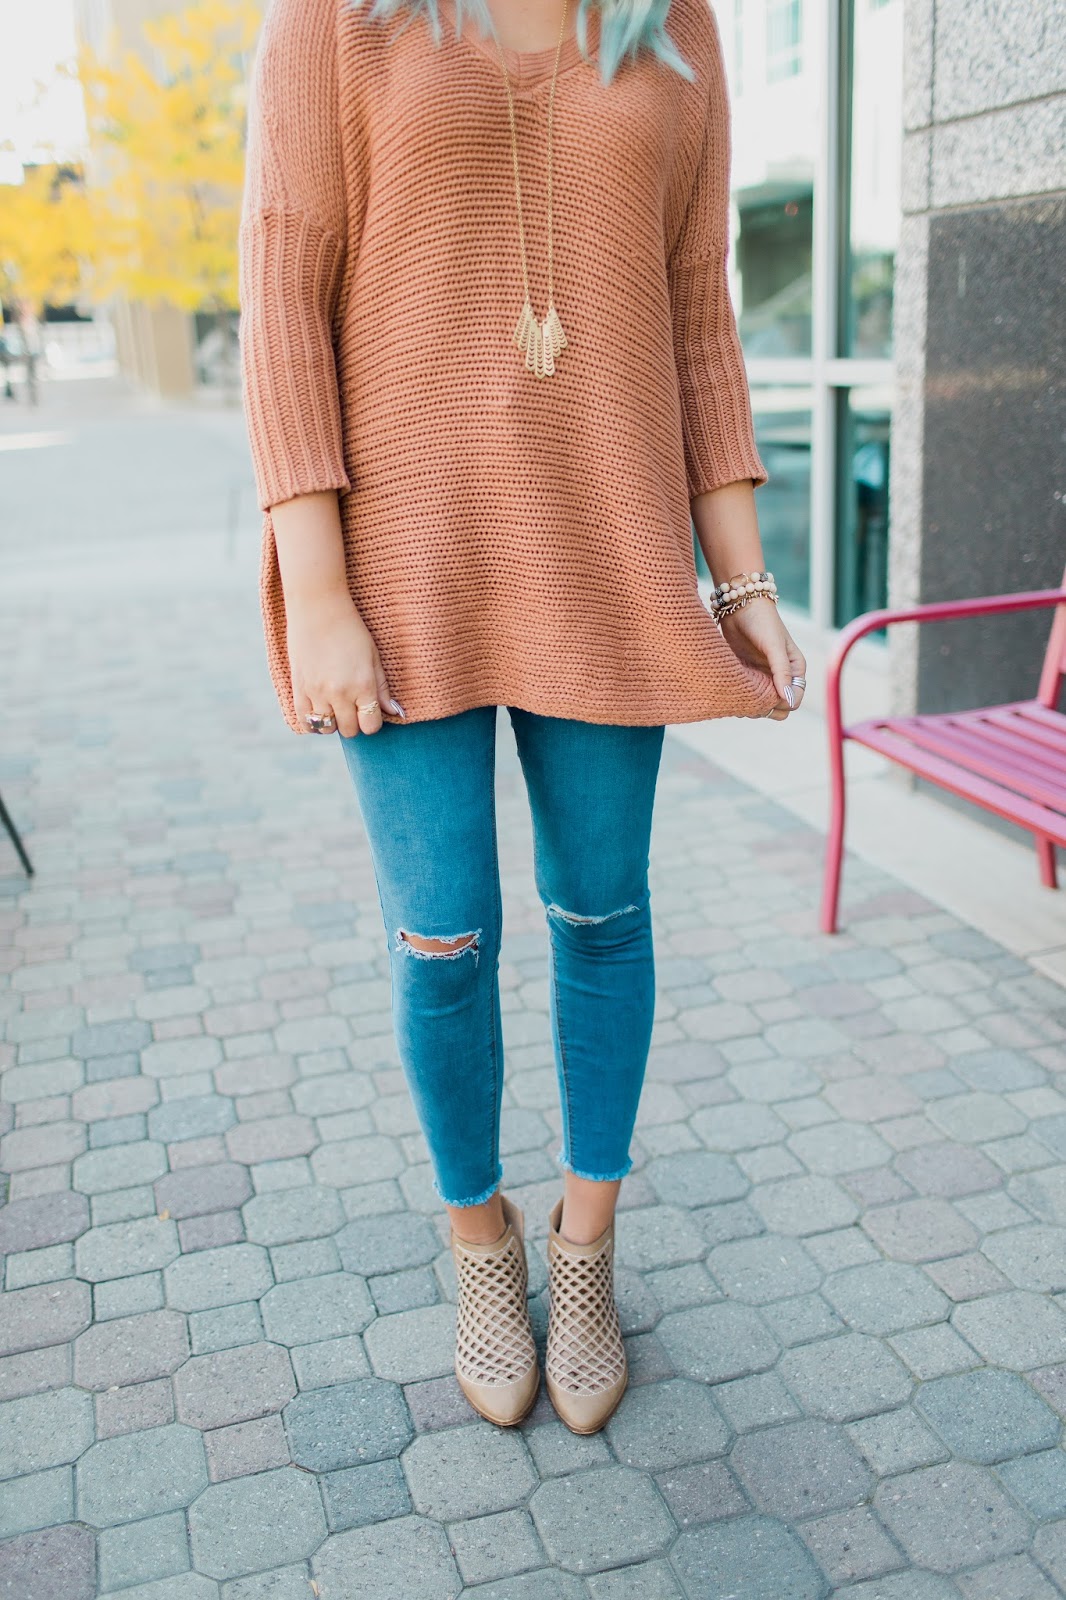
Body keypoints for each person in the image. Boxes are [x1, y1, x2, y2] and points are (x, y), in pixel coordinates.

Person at [238, 0, 807, 1435]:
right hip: (405, 571)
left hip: (610, 556)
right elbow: (284, 301)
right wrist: (318, 594)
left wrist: (740, 577)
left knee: (603, 917)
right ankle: (481, 1245)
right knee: (441, 940)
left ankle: (586, 1247)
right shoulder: (338, 19)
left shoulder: (675, 25)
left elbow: (695, 316)